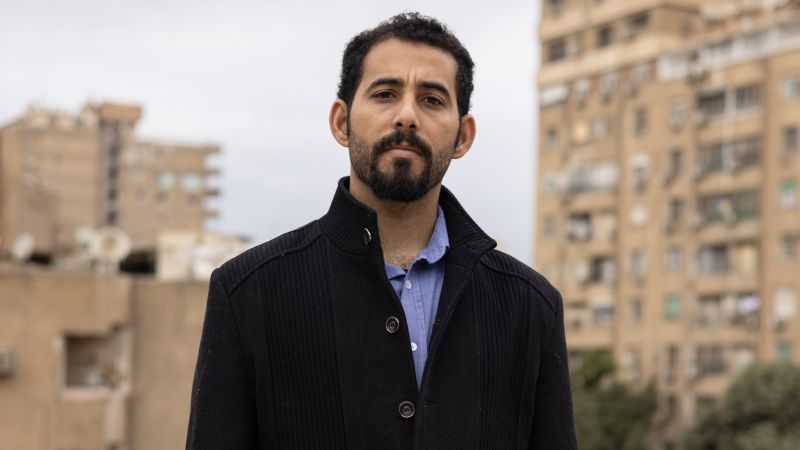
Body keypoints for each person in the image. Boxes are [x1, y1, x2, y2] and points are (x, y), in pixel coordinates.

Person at [186, 12, 576, 450]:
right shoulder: (247, 294)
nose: (407, 116)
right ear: (341, 121)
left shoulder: (530, 306)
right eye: (385, 93)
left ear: (463, 136)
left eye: (432, 100)